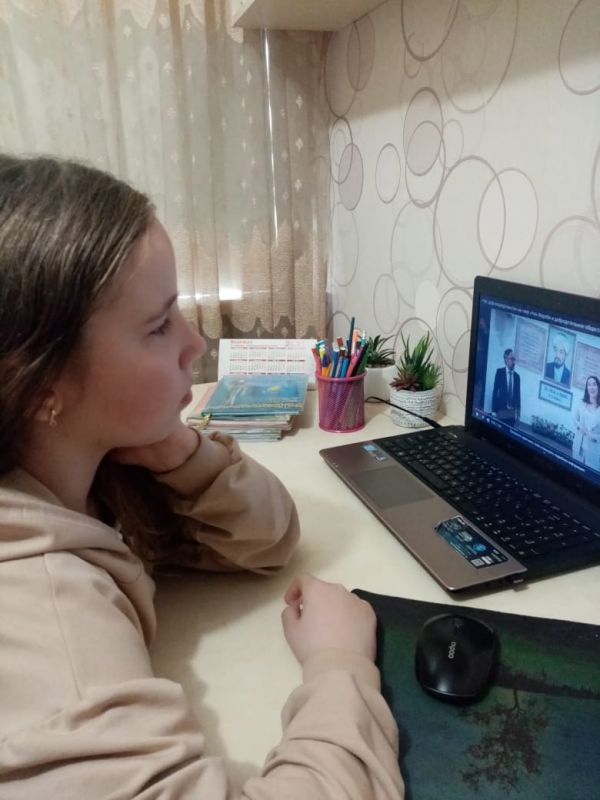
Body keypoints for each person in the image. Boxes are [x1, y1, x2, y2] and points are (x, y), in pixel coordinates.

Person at [0, 155, 404, 799]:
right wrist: (341, 667)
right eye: (159, 325)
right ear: (38, 382)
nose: (194, 344)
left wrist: (180, 454)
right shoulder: (45, 619)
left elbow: (269, 539)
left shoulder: (85, 474)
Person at [572, 375, 600, 467]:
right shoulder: (581, 403)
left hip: (593, 450)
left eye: (594, 384)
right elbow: (574, 418)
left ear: (598, 387)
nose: (591, 387)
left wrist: (593, 436)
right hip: (578, 446)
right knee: (575, 470)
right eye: (589, 384)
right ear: (587, 388)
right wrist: (579, 427)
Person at [492, 348, 521, 426]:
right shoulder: (499, 372)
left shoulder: (517, 377)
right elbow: (495, 392)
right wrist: (494, 411)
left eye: (514, 359)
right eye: (511, 359)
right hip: (500, 411)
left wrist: (518, 415)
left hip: (511, 414)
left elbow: (518, 397)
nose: (514, 362)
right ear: (506, 359)